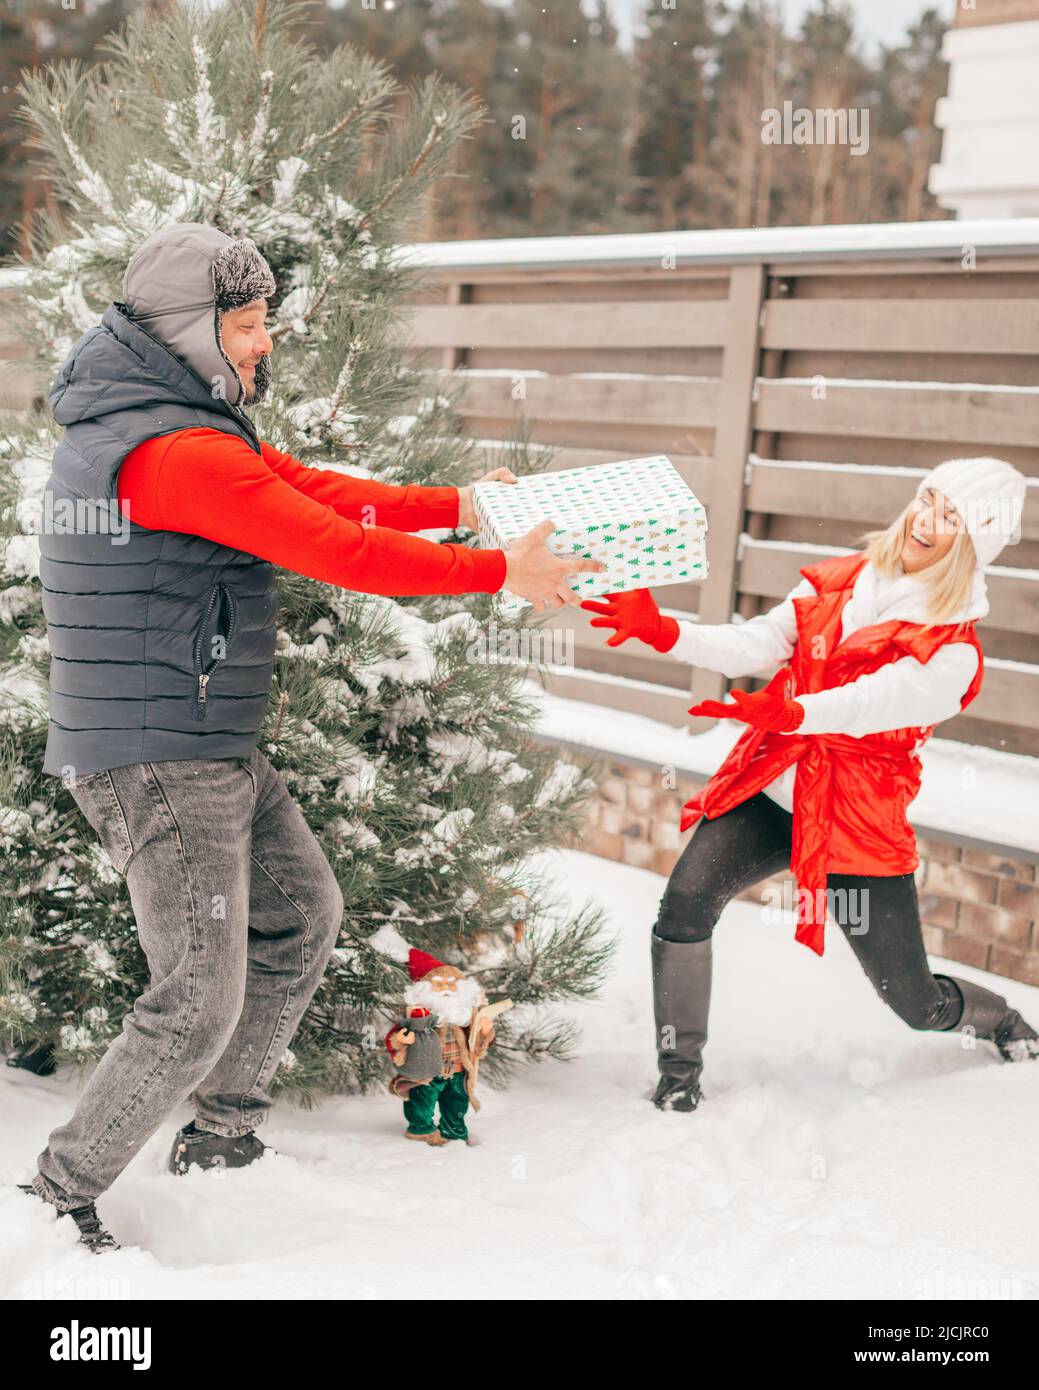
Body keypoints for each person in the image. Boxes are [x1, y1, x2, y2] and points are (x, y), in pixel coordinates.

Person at [20, 222, 603, 1251]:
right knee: (195, 998)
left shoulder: (180, 421)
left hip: (204, 736)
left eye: (264, 322)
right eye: (247, 323)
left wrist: (460, 504)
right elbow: (334, 546)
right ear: (188, 327)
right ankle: (56, 1200)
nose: (264, 343)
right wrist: (496, 571)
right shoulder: (169, 451)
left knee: (298, 917)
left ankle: (222, 1134)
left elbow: (312, 490)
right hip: (158, 754)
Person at [583, 458, 1038, 1113]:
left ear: (973, 544)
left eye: (951, 517)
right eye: (927, 499)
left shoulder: (953, 652)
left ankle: (999, 1020)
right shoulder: (844, 581)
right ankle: (678, 1077)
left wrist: (794, 711)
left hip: (855, 819)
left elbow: (870, 702)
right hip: (775, 791)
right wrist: (666, 632)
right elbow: (760, 642)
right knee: (685, 903)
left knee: (913, 1002)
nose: (926, 520)